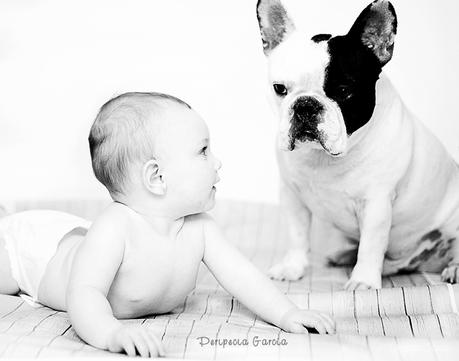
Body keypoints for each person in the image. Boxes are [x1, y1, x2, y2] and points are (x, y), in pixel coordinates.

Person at [0, 92, 335, 358]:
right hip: (33, 253)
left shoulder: (199, 228)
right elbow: (83, 293)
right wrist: (110, 332)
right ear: (157, 177)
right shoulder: (115, 227)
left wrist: (286, 314)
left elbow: (243, 276)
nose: (217, 161)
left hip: (74, 236)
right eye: (203, 151)